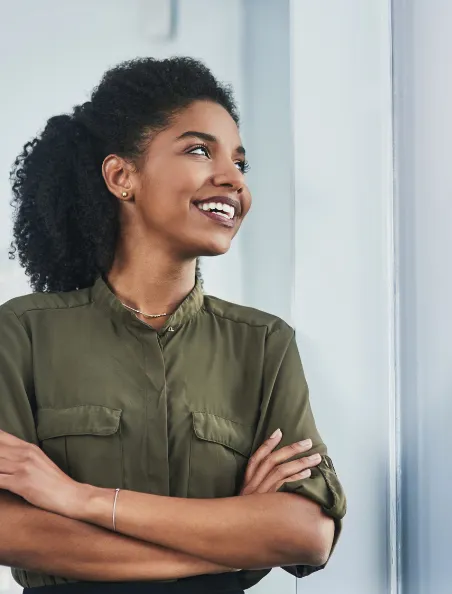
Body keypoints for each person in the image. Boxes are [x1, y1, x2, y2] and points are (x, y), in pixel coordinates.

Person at [0, 57, 346, 594]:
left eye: (240, 161)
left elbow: (306, 533)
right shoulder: (21, 333)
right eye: (200, 150)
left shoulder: (264, 345)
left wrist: (79, 499)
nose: (233, 178)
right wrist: (235, 543)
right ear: (121, 176)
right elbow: (11, 530)